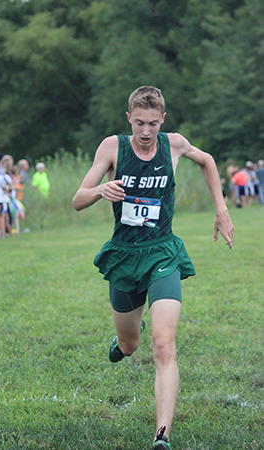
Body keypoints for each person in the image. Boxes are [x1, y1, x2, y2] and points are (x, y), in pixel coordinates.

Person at [72, 86, 234, 450]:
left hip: (163, 253)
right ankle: (126, 339)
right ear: (129, 118)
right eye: (140, 123)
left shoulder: (173, 145)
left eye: (153, 124)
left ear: (163, 120)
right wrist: (101, 190)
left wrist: (221, 209)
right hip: (124, 256)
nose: (146, 132)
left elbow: (207, 160)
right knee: (131, 346)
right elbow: (77, 200)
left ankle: (162, 435)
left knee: (163, 344)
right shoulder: (112, 147)